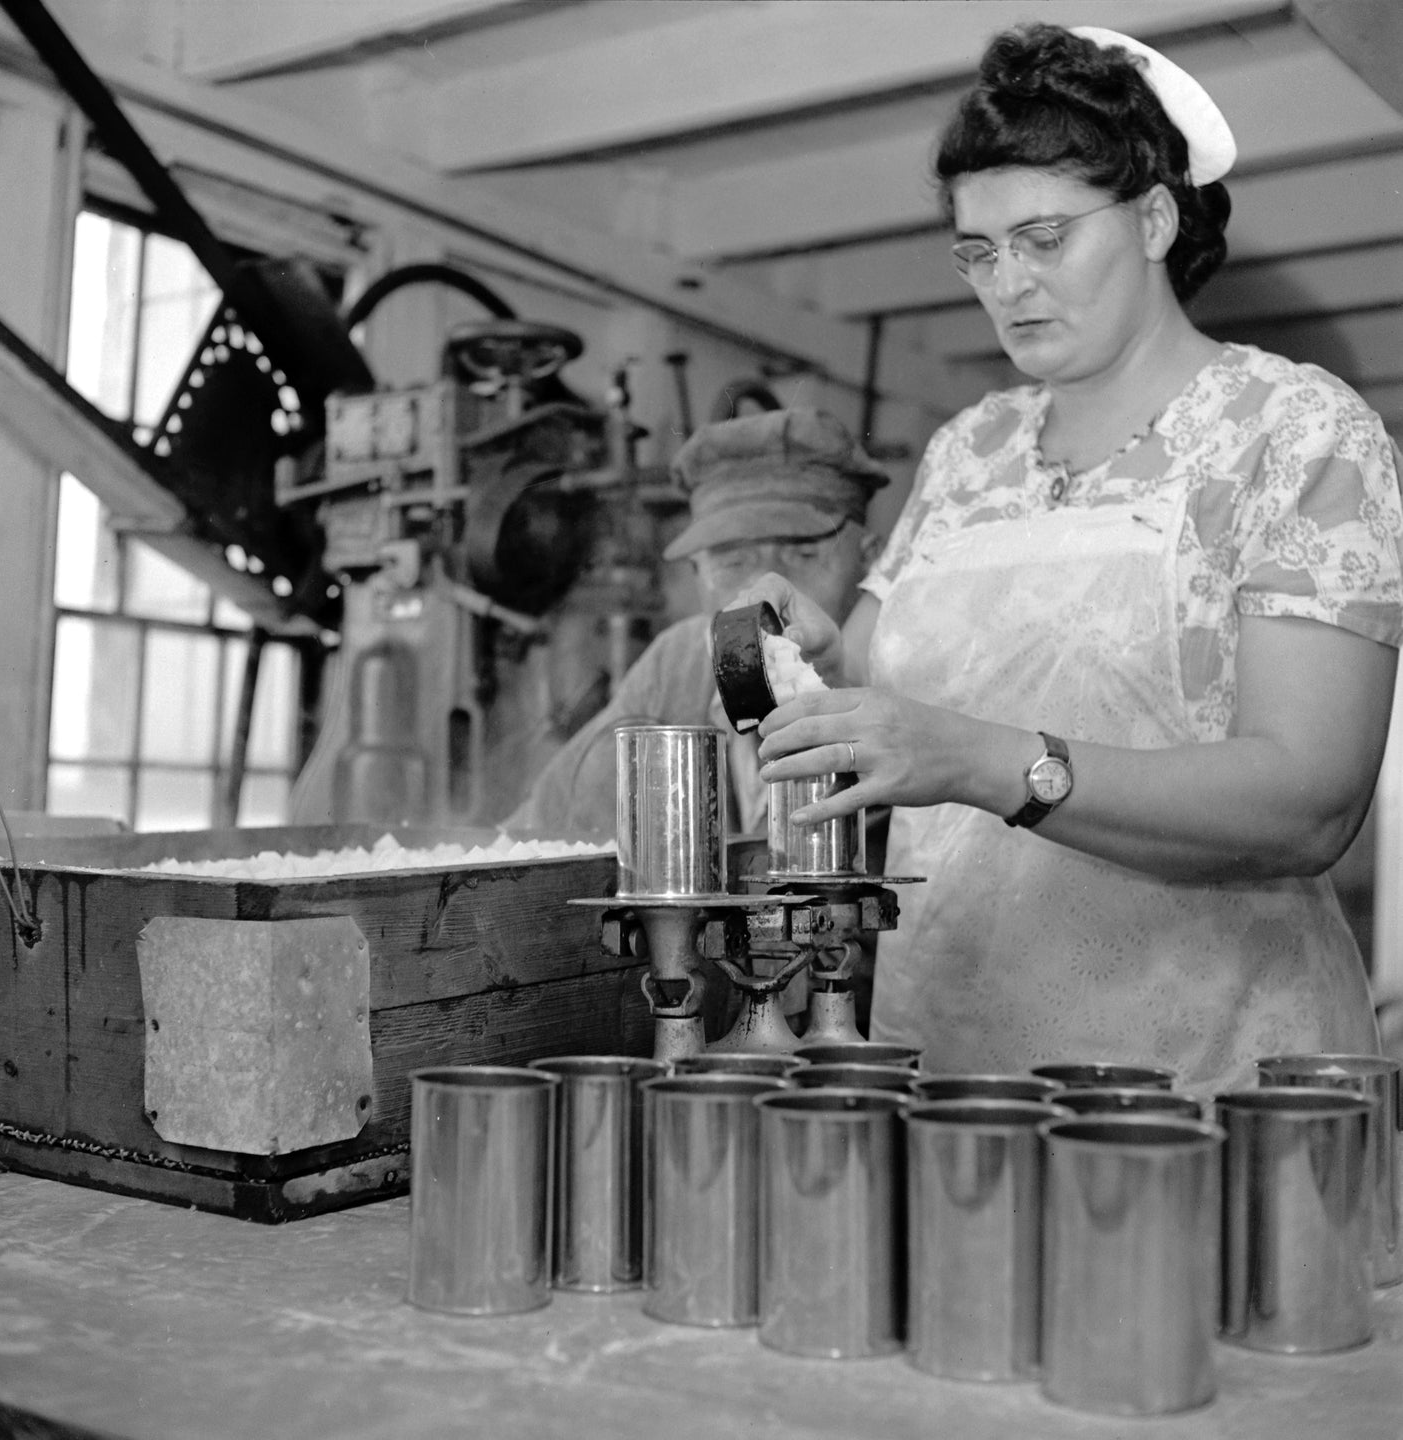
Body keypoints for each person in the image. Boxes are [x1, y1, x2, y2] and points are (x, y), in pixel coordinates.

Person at [735, 23, 1403, 1093]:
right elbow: (881, 698)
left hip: (1204, 1082)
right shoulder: (969, 451)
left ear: (1150, 217)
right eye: (978, 251)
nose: (1007, 283)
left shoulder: (1294, 432)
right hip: (950, 1064)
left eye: (1043, 239)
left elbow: (1305, 801)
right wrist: (804, 655)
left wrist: (981, 761)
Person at [503, 406, 887, 837]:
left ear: (871, 561)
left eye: (803, 554)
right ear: (696, 575)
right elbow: (543, 822)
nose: (765, 586)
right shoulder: (680, 658)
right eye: (732, 560)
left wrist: (837, 689)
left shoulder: (911, 662)